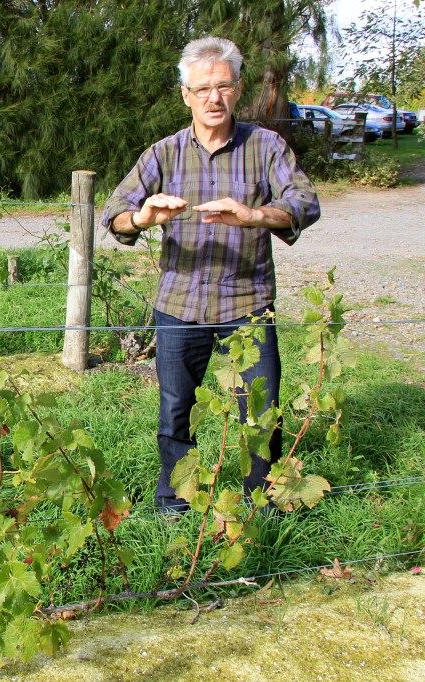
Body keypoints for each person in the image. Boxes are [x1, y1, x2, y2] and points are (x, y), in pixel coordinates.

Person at [99, 36, 321, 513]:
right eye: (202, 88)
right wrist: (142, 217)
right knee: (176, 410)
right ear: (186, 95)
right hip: (180, 304)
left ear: (238, 89)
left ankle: (258, 507)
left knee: (260, 412)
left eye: (223, 86)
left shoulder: (266, 147)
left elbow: (304, 202)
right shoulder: (163, 154)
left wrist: (255, 215)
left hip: (247, 303)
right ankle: (175, 502)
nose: (213, 98)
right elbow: (114, 213)